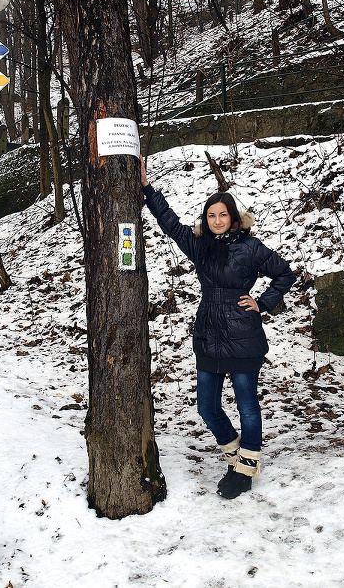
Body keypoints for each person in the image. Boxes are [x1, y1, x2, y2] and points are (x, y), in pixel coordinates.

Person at [140, 156, 295, 499]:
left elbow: (285, 273)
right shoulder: (199, 246)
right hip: (209, 332)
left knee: (247, 405)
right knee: (207, 407)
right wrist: (147, 188)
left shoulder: (251, 247)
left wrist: (263, 302)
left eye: (223, 214)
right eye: (211, 215)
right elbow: (171, 224)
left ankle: (245, 469)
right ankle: (233, 454)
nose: (217, 220)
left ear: (234, 217)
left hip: (243, 335)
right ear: (206, 220)